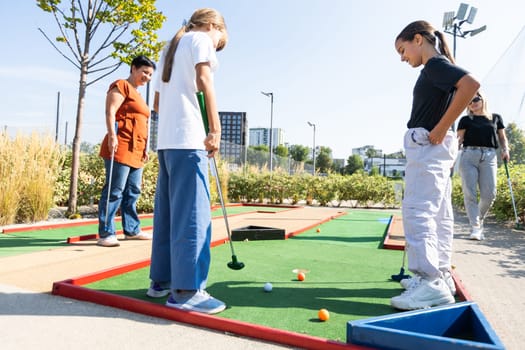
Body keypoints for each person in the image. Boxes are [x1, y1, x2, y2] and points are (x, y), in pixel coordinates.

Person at [392, 20, 480, 310]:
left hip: (429, 145)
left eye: (402, 50)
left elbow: (471, 85)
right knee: (439, 212)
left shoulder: (434, 65)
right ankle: (440, 275)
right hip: (436, 147)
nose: (402, 58)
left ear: (418, 39)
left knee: (418, 209)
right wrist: (444, 129)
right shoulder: (436, 67)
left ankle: (429, 281)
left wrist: (442, 127)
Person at [146, 8, 228, 315]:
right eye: (219, 41)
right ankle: (187, 291)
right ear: (212, 26)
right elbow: (205, 79)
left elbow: (156, 102)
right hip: (188, 140)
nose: (217, 46)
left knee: (167, 215)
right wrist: (215, 129)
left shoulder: (168, 47)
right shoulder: (199, 38)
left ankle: (162, 282)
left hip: (166, 142)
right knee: (194, 216)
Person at [97, 55, 156, 247]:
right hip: (121, 145)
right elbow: (110, 111)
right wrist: (112, 136)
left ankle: (131, 230)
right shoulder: (121, 85)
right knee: (115, 190)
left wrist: (145, 147)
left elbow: (142, 122)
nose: (147, 77)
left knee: (133, 191)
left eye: (150, 75)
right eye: (144, 72)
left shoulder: (138, 95)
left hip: (137, 150)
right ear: (133, 69)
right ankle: (106, 233)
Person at [457, 92, 510, 240]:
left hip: (489, 156)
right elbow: (459, 140)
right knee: (470, 193)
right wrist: (451, 156)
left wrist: (505, 150)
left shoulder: (496, 118)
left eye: (475, 99)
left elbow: (502, 137)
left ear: (482, 99)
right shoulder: (465, 120)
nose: (472, 103)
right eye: (469, 101)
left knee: (490, 194)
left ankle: (478, 218)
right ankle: (475, 227)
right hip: (469, 156)